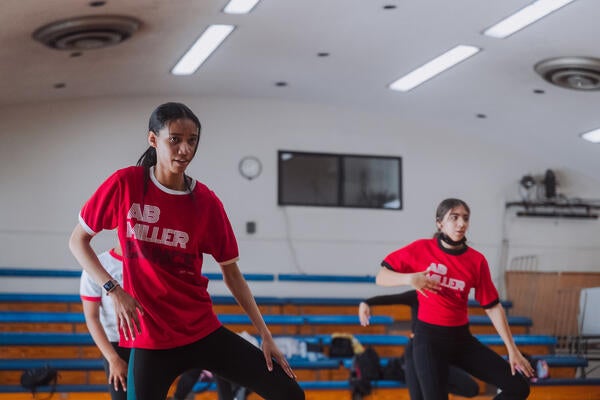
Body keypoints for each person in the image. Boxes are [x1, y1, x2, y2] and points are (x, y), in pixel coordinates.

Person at [69, 102, 304, 400]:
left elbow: (232, 274)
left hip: (202, 332)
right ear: (153, 140)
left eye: (192, 141)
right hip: (151, 342)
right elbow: (77, 241)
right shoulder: (125, 184)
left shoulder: (206, 202)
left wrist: (265, 335)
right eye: (175, 140)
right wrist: (114, 290)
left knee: (290, 394)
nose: (185, 149)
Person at [374, 198, 533, 400]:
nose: (461, 224)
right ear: (440, 223)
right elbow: (381, 276)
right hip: (428, 341)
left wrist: (512, 350)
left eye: (465, 218)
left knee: (518, 387)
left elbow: (492, 307)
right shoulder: (421, 248)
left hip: (460, 339)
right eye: (454, 218)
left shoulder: (476, 260)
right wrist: (409, 278)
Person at [359, 290, 479, 400]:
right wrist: (366, 303)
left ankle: (434, 385)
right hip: (415, 350)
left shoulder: (448, 298)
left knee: (471, 388)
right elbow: (390, 299)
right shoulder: (417, 295)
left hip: (439, 351)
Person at [80, 245, 129, 400]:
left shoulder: (149, 264)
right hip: (116, 345)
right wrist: (113, 358)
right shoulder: (98, 264)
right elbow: (91, 317)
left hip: (147, 344)